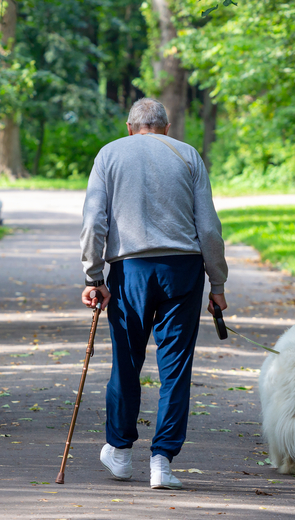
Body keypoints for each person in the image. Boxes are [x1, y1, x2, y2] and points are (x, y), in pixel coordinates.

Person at [80, 97, 229, 489]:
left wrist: (94, 277)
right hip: (183, 271)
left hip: (130, 271)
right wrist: (217, 284)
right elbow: (209, 228)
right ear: (166, 127)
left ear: (130, 127)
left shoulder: (109, 154)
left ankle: (120, 452)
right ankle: (162, 463)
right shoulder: (188, 155)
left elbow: (94, 220)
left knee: (127, 363)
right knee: (175, 369)